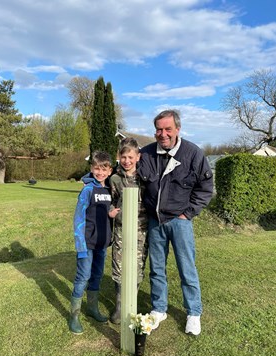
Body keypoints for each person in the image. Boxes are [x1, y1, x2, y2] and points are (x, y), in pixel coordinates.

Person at [138, 110, 213, 335]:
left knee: (187, 268)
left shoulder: (193, 154)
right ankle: (159, 309)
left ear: (177, 129)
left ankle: (193, 312)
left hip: (180, 222)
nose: (163, 134)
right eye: (159, 129)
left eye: (168, 129)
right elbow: (129, 173)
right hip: (155, 221)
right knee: (157, 269)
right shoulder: (147, 153)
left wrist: (188, 213)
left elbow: (205, 187)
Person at [69, 151, 113, 334]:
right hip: (86, 244)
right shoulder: (87, 190)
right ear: (91, 168)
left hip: (101, 243)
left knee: (97, 275)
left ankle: (92, 309)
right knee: (83, 277)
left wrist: (111, 214)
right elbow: (79, 218)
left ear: (110, 171)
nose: (100, 172)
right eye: (97, 169)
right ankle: (74, 316)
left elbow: (105, 212)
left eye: (104, 169)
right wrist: (80, 246)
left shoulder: (109, 189)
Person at [108, 137, 148, 324]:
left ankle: (132, 304)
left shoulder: (145, 178)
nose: (127, 161)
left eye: (131, 157)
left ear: (138, 157)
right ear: (119, 157)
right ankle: (119, 305)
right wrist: (111, 211)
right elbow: (112, 201)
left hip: (141, 229)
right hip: (122, 230)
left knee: (137, 266)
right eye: (123, 157)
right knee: (119, 266)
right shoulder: (115, 179)